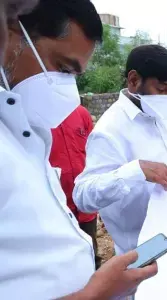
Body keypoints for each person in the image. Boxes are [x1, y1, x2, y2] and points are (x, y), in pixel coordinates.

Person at [0, 1, 157, 298]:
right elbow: (86, 192)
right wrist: (91, 294)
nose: (65, 88)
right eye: (62, 67)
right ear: (10, 33)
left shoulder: (25, 130)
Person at [73, 45, 167, 256]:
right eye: (162, 89)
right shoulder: (110, 130)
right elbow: (84, 196)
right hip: (144, 247)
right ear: (134, 80)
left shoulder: (160, 112)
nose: (166, 98)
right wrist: (135, 171)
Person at [49, 105, 102, 269]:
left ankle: (95, 277)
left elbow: (93, 151)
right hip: (57, 201)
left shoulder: (81, 113)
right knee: (64, 250)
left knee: (89, 242)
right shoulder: (38, 117)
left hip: (85, 198)